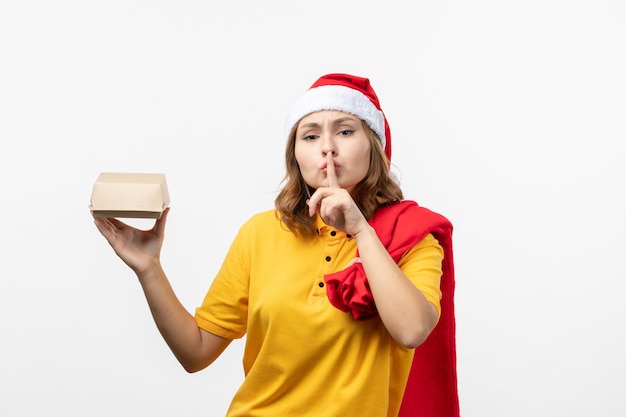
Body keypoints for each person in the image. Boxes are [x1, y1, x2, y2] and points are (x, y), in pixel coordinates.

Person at [93, 73, 459, 417]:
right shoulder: (260, 233)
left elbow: (412, 330)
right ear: (296, 156)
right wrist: (149, 269)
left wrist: (362, 232)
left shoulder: (415, 235)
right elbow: (196, 352)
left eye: (345, 131)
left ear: (374, 146)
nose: (327, 148)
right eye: (310, 136)